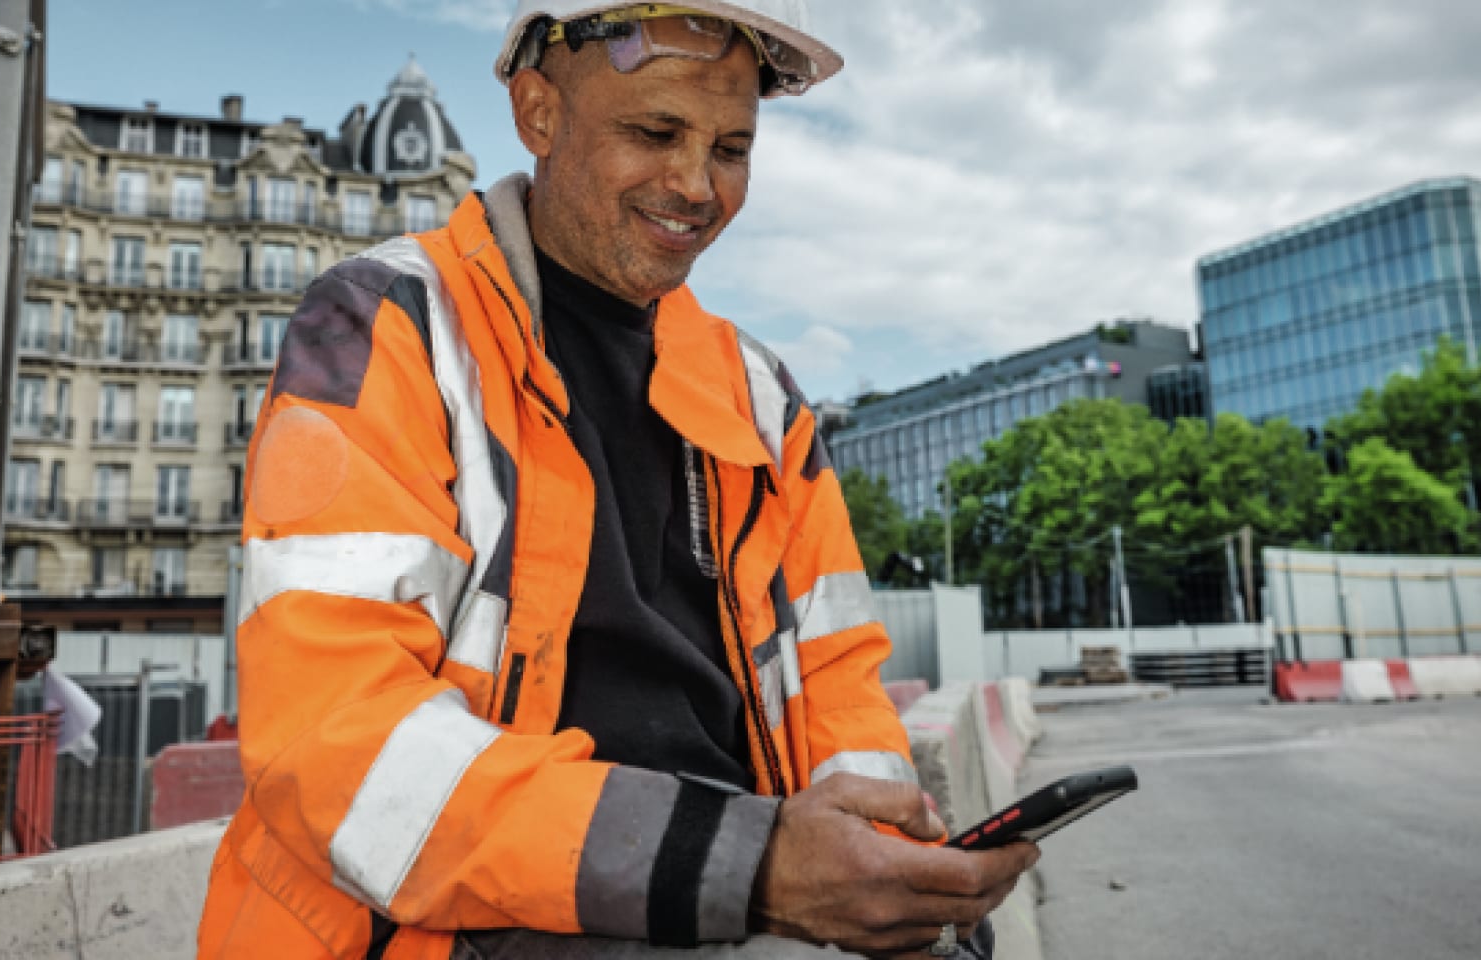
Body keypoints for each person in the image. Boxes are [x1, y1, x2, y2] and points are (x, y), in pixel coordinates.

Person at [196, 3, 1038, 957]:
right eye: (653, 132)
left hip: (725, 906)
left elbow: (839, 682)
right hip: (456, 924)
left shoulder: (760, 397)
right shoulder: (385, 327)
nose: (695, 185)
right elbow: (335, 748)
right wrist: (749, 866)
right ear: (538, 112)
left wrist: (888, 866)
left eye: (731, 148)